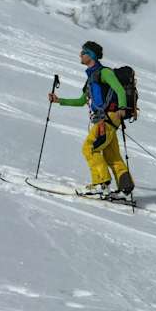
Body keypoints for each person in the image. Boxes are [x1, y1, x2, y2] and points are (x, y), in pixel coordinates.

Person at [47, 41, 135, 198]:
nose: (80, 55)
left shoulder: (104, 73)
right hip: (106, 118)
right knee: (111, 155)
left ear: (91, 55)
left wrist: (121, 109)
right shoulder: (91, 78)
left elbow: (120, 90)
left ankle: (101, 184)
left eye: (83, 52)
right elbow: (81, 101)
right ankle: (124, 188)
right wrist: (59, 100)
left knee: (89, 148)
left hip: (107, 118)